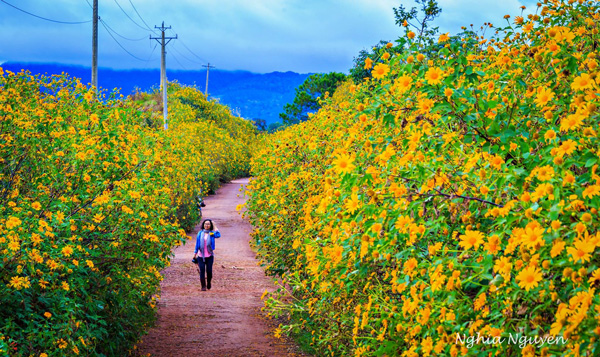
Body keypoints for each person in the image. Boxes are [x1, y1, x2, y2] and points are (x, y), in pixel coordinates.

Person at [193, 219, 221, 291]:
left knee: (209, 271)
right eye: (205, 224)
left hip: (209, 255)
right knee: (202, 271)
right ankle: (203, 286)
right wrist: (195, 253)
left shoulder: (212, 233)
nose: (207, 225)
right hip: (200, 255)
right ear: (203, 225)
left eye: (208, 224)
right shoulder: (200, 233)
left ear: (210, 225)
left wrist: (215, 227)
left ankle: (208, 282)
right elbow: (197, 244)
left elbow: (218, 235)